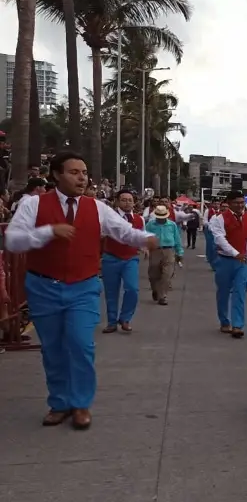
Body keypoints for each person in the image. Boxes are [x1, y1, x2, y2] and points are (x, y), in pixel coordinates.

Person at [5, 151, 157, 429]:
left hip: (83, 286)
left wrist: (145, 238)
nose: (82, 177)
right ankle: (59, 403)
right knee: (53, 349)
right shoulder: (33, 205)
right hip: (43, 286)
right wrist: (48, 232)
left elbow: (122, 231)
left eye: (84, 172)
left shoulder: (96, 207)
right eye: (74, 172)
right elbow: (13, 241)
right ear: (56, 175)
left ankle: (81, 404)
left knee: (81, 344)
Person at [209, 191, 247, 338]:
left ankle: (237, 325)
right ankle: (224, 321)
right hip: (225, 260)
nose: (240, 205)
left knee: (240, 292)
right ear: (228, 203)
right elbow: (220, 240)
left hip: (243, 262)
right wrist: (235, 253)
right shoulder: (219, 219)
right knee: (223, 292)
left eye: (242, 202)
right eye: (236, 202)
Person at [101, 189, 145, 333]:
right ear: (117, 202)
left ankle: (125, 318)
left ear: (134, 203)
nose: (127, 203)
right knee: (111, 292)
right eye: (123, 200)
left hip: (130, 258)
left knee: (132, 289)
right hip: (111, 258)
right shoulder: (109, 218)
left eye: (130, 200)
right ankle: (112, 322)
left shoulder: (139, 219)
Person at [145, 205, 183, 306]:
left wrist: (180, 252)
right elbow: (145, 237)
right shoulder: (150, 225)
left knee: (167, 274)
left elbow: (177, 239)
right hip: (155, 251)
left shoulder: (172, 225)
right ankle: (155, 290)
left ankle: (163, 296)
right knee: (154, 274)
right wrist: (145, 249)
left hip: (169, 250)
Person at [203, 199, 221, 269]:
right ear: (212, 204)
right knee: (210, 246)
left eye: (218, 204)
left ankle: (216, 262)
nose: (216, 205)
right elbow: (205, 221)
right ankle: (210, 259)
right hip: (209, 231)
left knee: (217, 247)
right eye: (215, 204)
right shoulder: (208, 211)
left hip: (218, 231)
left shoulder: (221, 212)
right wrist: (211, 225)